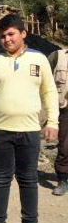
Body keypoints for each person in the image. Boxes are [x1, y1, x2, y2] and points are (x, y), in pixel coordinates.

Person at [0, 14, 58, 223]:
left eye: (11, 34)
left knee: (28, 180)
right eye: (2, 36)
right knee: (0, 180)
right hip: (0, 130)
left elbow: (49, 92)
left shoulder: (39, 60)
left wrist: (52, 121)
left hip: (30, 131)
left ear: (23, 34)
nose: (6, 40)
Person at [50, 45, 68, 195]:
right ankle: (62, 179)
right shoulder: (58, 56)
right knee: (65, 146)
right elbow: (42, 78)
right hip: (64, 109)